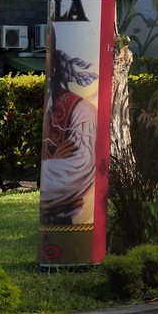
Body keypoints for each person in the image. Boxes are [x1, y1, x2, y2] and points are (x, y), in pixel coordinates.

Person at [40, 45, 100, 226]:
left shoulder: (82, 111)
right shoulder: (50, 105)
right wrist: (52, 160)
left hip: (67, 219)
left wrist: (49, 164)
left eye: (50, 50)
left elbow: (79, 171)